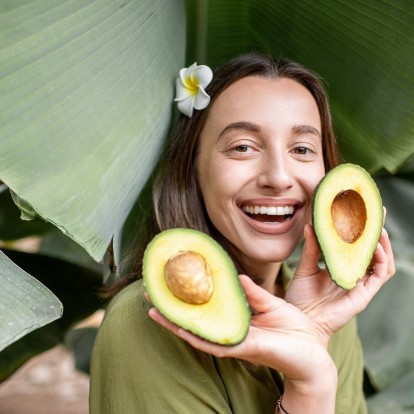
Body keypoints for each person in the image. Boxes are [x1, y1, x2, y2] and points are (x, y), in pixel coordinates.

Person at [89, 52, 395, 413]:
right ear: (192, 169)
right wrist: (310, 385)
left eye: (302, 149)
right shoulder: (147, 320)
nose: (278, 178)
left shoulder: (330, 309)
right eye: (243, 147)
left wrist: (311, 337)